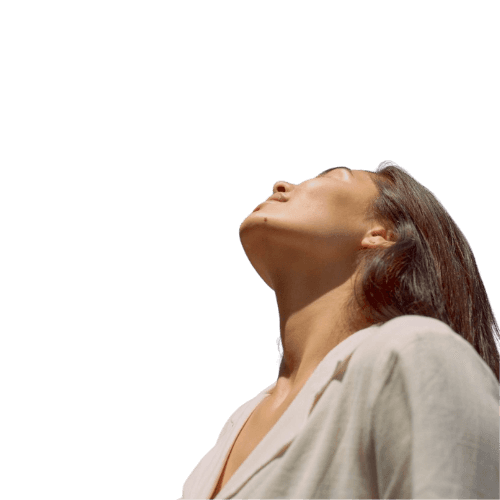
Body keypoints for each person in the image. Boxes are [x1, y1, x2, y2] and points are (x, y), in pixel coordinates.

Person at [179, 160, 499, 499]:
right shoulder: (231, 432)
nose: (280, 185)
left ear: (381, 234)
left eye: (332, 176)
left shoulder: (412, 352)